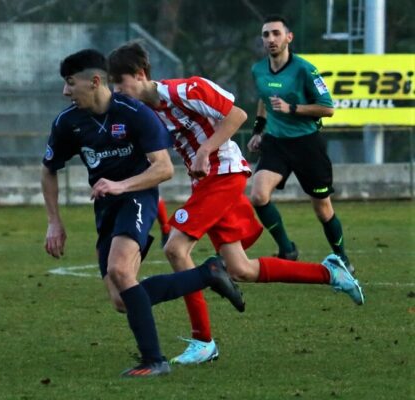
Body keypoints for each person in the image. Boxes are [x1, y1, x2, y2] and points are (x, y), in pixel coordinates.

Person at [108, 41, 364, 365]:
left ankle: (203, 341)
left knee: (175, 249)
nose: (117, 91)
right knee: (242, 269)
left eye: (120, 82)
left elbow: (237, 114)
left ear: (141, 74)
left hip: (224, 174)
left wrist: (205, 150)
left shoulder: (187, 89)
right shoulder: (146, 114)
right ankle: (329, 273)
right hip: (206, 182)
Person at [41, 49, 244, 377]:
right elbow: (48, 169)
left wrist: (122, 186)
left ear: (94, 81)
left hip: (137, 198)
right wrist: (54, 221)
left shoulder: (136, 114)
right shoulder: (68, 122)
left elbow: (163, 169)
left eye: (69, 83)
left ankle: (154, 361)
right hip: (105, 206)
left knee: (121, 271)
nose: (65, 91)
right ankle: (207, 273)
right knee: (123, 300)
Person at [248, 15, 354, 273]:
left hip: (307, 144)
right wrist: (258, 130)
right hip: (276, 143)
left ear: (288, 37)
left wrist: (292, 108)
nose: (270, 39)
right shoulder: (258, 70)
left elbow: (328, 109)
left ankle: (342, 259)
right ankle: (287, 248)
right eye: (266, 35)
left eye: (276, 33)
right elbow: (264, 99)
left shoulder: (305, 69)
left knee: (322, 207)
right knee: (259, 195)